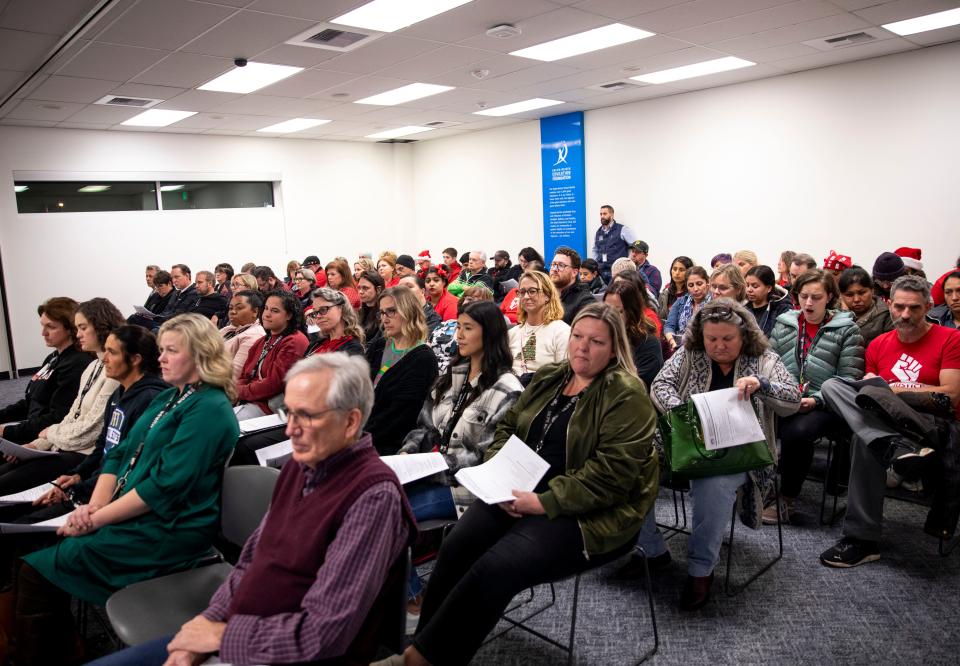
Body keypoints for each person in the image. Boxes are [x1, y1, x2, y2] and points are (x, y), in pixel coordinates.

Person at [90, 354, 416, 666]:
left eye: (307, 416)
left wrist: (221, 636)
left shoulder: (373, 497)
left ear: (350, 422)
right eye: (289, 413)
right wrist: (203, 626)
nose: (290, 430)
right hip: (240, 633)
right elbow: (250, 562)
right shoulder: (301, 467)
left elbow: (323, 633)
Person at [402, 303, 658, 666]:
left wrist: (544, 503)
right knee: (456, 546)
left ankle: (423, 660)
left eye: (596, 342)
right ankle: (428, 639)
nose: (582, 348)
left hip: (587, 511)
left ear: (614, 349)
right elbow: (510, 427)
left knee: (496, 567)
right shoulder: (552, 376)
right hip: (520, 489)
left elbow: (613, 476)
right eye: (578, 337)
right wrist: (500, 472)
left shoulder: (626, 393)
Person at [10, 314, 240, 663]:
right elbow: (117, 454)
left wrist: (96, 519)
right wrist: (92, 508)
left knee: (36, 569)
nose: (159, 358)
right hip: (134, 512)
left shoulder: (209, 408)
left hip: (168, 529)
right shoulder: (171, 398)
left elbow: (163, 488)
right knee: (38, 558)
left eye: (171, 351)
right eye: (160, 350)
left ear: (200, 355)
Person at [624, 299, 800, 609]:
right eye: (711, 339)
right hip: (688, 441)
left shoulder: (765, 360)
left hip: (740, 451)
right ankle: (650, 548)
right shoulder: (690, 353)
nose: (718, 346)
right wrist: (685, 412)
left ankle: (700, 570)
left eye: (727, 339)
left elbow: (793, 399)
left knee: (712, 481)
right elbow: (661, 385)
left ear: (743, 336)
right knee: (634, 459)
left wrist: (762, 385)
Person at [819, 276, 960, 568]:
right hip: (887, 425)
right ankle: (894, 448)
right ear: (889, 305)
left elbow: (950, 397)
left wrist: (892, 389)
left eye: (914, 308)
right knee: (833, 386)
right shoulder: (879, 344)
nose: (905, 315)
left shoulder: (950, 338)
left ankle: (861, 538)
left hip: (931, 427)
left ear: (929, 308)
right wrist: (878, 391)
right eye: (899, 307)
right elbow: (865, 397)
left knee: (865, 429)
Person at [400, 302, 523, 610]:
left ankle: (415, 599)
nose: (459, 335)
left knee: (388, 516)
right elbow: (423, 429)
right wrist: (404, 458)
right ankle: (398, 592)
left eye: (468, 328)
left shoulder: (507, 390)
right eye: (458, 327)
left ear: (490, 334)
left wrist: (432, 467)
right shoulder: (451, 376)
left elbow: (486, 459)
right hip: (433, 473)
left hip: (466, 489)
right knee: (369, 502)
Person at [11, 326, 167, 525]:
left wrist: (80, 489)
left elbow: (127, 464)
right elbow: (103, 447)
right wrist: (77, 475)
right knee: (21, 514)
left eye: (112, 352)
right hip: (96, 482)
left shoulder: (149, 399)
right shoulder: (119, 393)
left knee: (23, 528)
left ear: (135, 359)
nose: (104, 358)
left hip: (110, 494)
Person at [767, 270, 865, 522]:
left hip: (827, 403)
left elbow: (849, 377)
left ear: (830, 297)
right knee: (752, 415)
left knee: (797, 432)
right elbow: (768, 362)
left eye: (816, 297)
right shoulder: (785, 323)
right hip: (785, 397)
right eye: (804, 296)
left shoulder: (847, 330)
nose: (808, 303)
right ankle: (756, 488)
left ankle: (786, 498)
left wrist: (817, 399)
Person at [0, 298, 125, 494]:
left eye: (82, 328)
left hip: (81, 453)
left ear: (101, 327)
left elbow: (92, 430)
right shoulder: (92, 366)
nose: (78, 334)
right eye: (77, 328)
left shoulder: (111, 370)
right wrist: (37, 444)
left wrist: (48, 435)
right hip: (62, 442)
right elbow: (71, 416)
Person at [0, 298, 91, 444]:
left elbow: (59, 417)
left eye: (51, 327)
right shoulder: (53, 357)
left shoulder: (77, 363)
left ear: (70, 328)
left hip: (44, 438)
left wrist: (8, 432)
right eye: (43, 326)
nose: (43, 333)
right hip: (31, 428)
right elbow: (32, 401)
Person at [365, 287, 439, 455]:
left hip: (390, 444)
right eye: (382, 313)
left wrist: (357, 436)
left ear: (409, 311)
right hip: (362, 431)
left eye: (391, 311)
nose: (385, 319)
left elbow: (401, 416)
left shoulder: (423, 359)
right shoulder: (379, 345)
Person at [235, 291, 309, 419]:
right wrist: (235, 391)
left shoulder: (295, 341)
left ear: (289, 315)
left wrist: (239, 392)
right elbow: (244, 375)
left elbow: (273, 385)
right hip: (249, 400)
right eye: (266, 309)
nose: (267, 314)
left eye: (275, 311)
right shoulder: (262, 341)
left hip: (272, 409)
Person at [508, 271, 570, 379]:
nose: (526, 296)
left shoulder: (562, 332)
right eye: (522, 292)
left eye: (532, 291)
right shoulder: (512, 333)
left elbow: (564, 377)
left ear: (547, 295)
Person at [603, 281, 663, 389]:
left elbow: (637, 386)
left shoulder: (648, 343)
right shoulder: (601, 336)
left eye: (618, 311)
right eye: (605, 309)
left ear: (631, 312)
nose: (609, 316)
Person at [430, 286, 495, 375]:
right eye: (469, 299)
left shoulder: (485, 332)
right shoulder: (446, 324)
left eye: (479, 301)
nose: (472, 304)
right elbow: (428, 346)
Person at [838, 267, 894, 345]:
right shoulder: (832, 315)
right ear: (841, 296)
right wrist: (843, 315)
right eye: (849, 295)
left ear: (872, 290)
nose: (856, 299)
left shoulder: (887, 316)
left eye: (862, 293)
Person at [305, 287, 365, 356]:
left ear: (341, 308)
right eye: (315, 313)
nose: (318, 316)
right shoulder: (316, 344)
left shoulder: (353, 349)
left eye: (323, 309)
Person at [220, 291, 266, 381]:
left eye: (239, 308)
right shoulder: (229, 329)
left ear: (255, 311)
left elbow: (233, 374)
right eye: (230, 308)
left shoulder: (255, 335)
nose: (232, 312)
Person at [664, 266, 711, 352]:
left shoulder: (714, 303)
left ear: (707, 283)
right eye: (691, 285)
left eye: (699, 284)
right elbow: (669, 325)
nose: (695, 289)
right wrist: (672, 341)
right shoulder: (681, 301)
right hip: (679, 348)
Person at [550, 247, 595, 325]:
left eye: (561, 265)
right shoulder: (544, 295)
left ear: (574, 272)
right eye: (553, 264)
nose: (554, 269)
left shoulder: (585, 301)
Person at [744, 265, 791, 338]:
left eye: (755, 286)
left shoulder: (781, 310)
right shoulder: (741, 308)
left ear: (769, 288)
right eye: (747, 285)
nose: (749, 290)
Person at [593, 204, 634, 282]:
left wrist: (627, 262)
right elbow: (595, 249)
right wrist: (595, 265)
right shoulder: (598, 232)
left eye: (605, 214)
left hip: (618, 272)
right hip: (601, 272)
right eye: (600, 214)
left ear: (611, 215)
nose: (602, 216)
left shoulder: (622, 229)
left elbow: (634, 246)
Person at [658, 256, 693, 320]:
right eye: (674, 269)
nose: (677, 273)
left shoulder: (693, 293)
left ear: (689, 272)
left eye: (681, 270)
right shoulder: (665, 293)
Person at [357, 270, 386, 348]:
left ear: (378, 289)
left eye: (365, 288)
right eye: (359, 287)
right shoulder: (360, 312)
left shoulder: (384, 314)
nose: (360, 292)